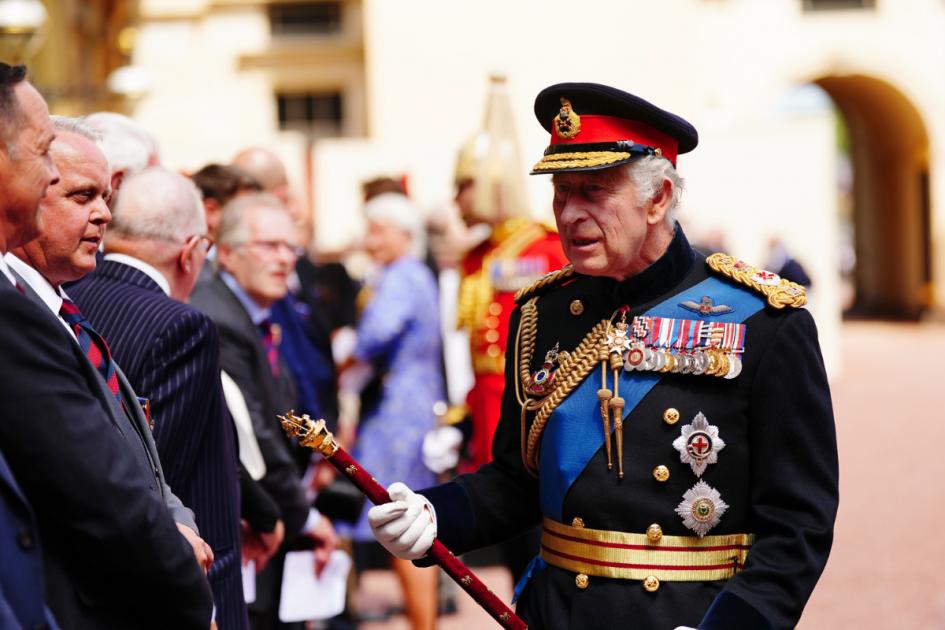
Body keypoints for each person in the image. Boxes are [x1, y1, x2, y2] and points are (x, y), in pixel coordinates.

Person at [368, 82, 839, 629]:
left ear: (658, 198)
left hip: (690, 615)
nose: (569, 214)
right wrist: (434, 513)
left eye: (593, 192)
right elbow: (519, 480)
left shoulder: (762, 319)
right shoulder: (542, 312)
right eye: (561, 193)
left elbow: (798, 521)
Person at [0, 63, 212, 629]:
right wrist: (182, 587)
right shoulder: (18, 312)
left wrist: (176, 521)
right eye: (80, 193)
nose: (103, 213)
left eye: (107, 195)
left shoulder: (70, 311)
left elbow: (142, 467)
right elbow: (91, 489)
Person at [66, 167, 247, 630]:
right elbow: (163, 466)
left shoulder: (66, 296)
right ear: (191, 252)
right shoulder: (182, 324)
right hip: (185, 570)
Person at [190, 192, 337, 630]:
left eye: (289, 248)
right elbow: (255, 431)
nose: (284, 260)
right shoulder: (220, 319)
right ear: (229, 255)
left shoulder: (256, 311)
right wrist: (304, 516)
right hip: (245, 522)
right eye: (268, 246)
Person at [341, 192, 444, 630]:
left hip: (399, 411)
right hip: (410, 403)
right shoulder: (411, 273)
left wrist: (340, 362)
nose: (370, 240)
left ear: (405, 234)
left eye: (378, 230)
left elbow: (374, 335)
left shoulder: (402, 276)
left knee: (404, 519)